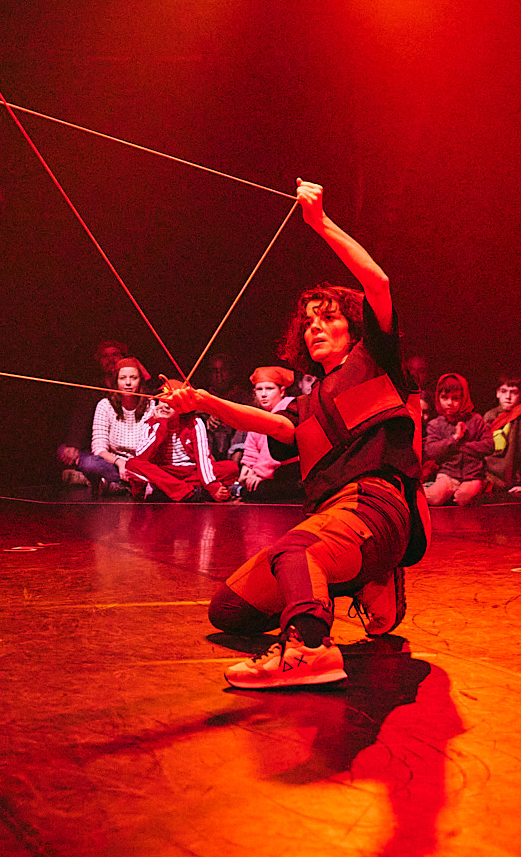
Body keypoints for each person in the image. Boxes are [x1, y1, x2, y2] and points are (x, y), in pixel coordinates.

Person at [161, 181, 430, 690]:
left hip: (374, 510)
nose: (315, 328)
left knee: (294, 550)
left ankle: (310, 646)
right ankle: (365, 579)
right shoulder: (310, 403)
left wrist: (320, 222)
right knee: (230, 610)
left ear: (354, 328)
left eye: (329, 318)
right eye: (308, 324)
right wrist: (201, 400)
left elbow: (378, 281)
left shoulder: (376, 361)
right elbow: (273, 424)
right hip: (334, 520)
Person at [121, 400, 231, 502]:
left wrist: (211, 485)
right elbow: (142, 457)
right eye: (163, 401)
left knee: (230, 468)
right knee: (132, 465)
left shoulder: (194, 422)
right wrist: (161, 424)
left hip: (189, 471)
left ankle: (164, 491)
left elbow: (203, 459)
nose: (165, 406)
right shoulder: (151, 423)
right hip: (162, 472)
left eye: (172, 402)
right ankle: (188, 492)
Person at [56, 340, 128, 486]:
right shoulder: (92, 389)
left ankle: (104, 480)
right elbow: (80, 418)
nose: (111, 359)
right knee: (65, 452)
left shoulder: (130, 387)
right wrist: (73, 444)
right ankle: (103, 478)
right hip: (100, 451)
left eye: (115, 354)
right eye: (105, 356)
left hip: (126, 453)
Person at [87, 357, 160, 498]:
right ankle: (123, 484)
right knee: (89, 462)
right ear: (116, 382)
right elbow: (99, 448)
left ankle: (120, 485)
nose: (128, 383)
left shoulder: (151, 406)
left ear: (140, 381)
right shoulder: (105, 406)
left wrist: (133, 466)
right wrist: (120, 462)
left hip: (141, 465)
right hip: (114, 463)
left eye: (133, 378)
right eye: (123, 378)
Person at [422, 374, 489, 506]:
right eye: (444, 398)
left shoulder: (475, 420)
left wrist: (462, 446)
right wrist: (454, 439)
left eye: (455, 398)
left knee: (463, 498)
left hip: (472, 475)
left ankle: (477, 488)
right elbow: (430, 450)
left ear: (463, 398)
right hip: (447, 474)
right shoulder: (436, 424)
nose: (449, 403)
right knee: (434, 497)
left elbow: (488, 445)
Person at [235, 366, 300, 501]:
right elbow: (251, 448)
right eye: (259, 389)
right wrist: (247, 468)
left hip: (291, 471)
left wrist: (260, 474)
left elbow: (272, 453)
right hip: (269, 472)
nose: (264, 394)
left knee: (260, 490)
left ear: (282, 391)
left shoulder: (289, 408)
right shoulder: (258, 414)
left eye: (269, 389)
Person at [483, 374, 521, 496]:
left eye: (513, 392)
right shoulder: (489, 416)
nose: (508, 397)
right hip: (484, 473)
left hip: (503, 480)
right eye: (504, 391)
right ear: (497, 393)